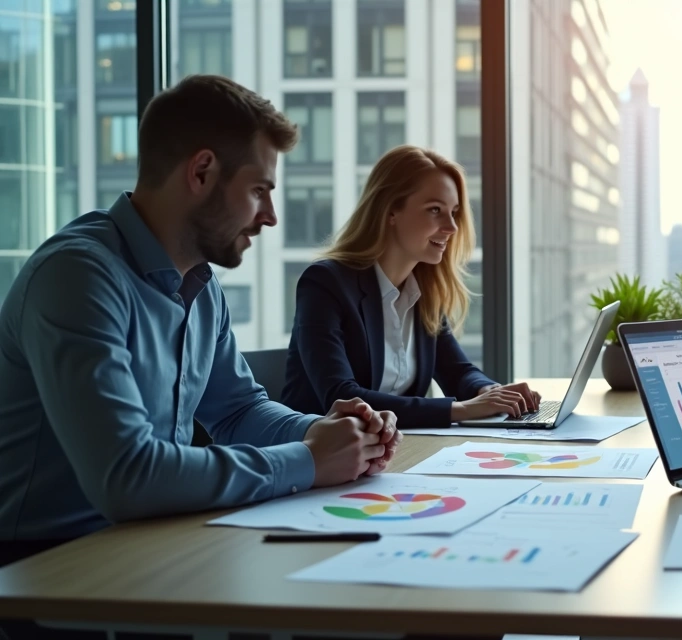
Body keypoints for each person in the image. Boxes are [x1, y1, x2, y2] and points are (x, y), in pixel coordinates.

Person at [0, 75, 402, 568]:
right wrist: (309, 460)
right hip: (43, 570)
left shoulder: (200, 284)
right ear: (202, 172)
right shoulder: (77, 276)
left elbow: (236, 412)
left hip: (147, 544)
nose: (271, 216)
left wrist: (330, 433)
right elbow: (127, 477)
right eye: (259, 190)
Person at [280, 145, 539, 428]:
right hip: (325, 459)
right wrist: (459, 410)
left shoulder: (422, 290)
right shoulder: (326, 283)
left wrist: (489, 392)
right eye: (435, 210)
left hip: (396, 453)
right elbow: (341, 397)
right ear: (391, 211)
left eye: (453, 212)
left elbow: (457, 371)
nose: (451, 227)